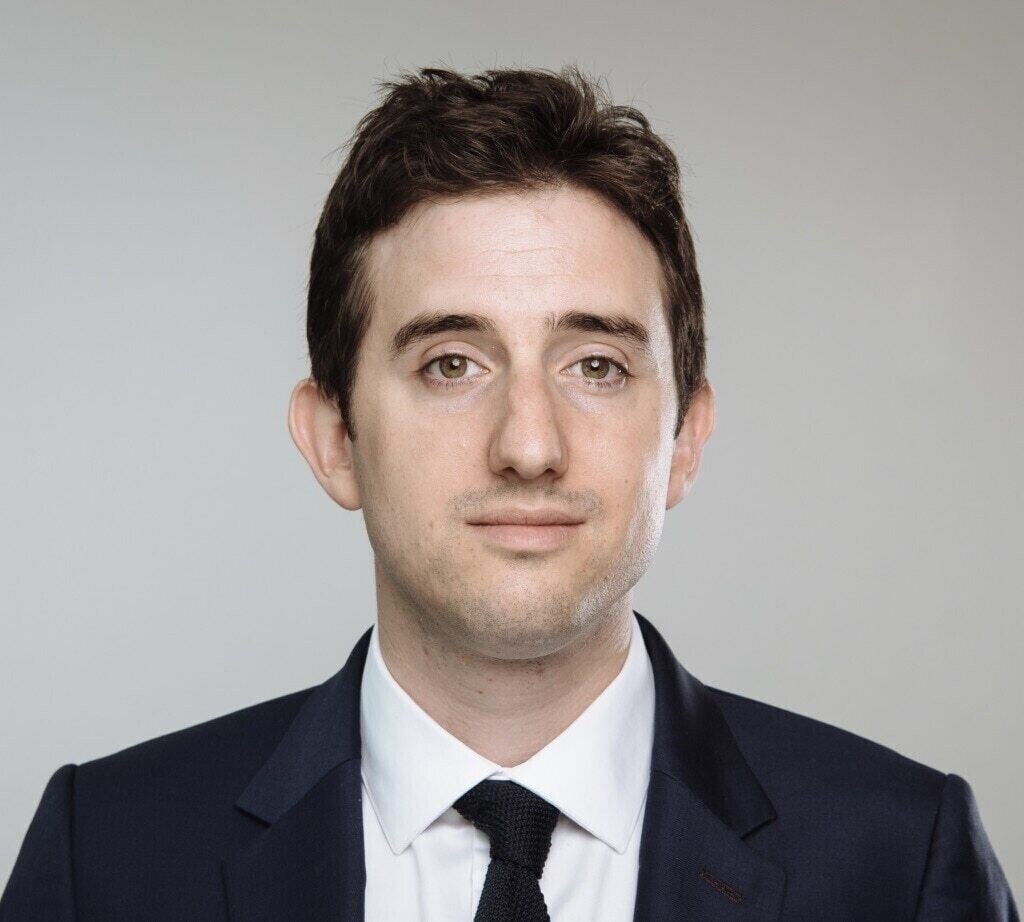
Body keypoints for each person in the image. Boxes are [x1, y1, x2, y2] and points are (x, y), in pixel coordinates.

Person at [1, 65, 1017, 922]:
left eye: (596, 366)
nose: (529, 446)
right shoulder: (107, 860)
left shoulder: (899, 863)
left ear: (685, 438)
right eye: (451, 363)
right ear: (334, 438)